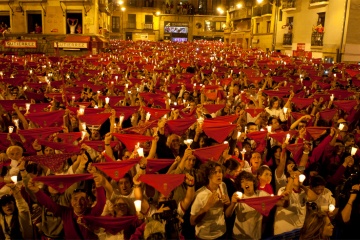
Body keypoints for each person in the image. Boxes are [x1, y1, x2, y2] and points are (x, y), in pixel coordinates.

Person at [190, 161, 230, 239]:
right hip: (205, 236)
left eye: (220, 171)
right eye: (214, 172)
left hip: (222, 232)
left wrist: (227, 203)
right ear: (208, 176)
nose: (219, 174)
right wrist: (207, 206)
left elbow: (225, 211)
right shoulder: (200, 194)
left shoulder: (223, 185)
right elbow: (192, 221)